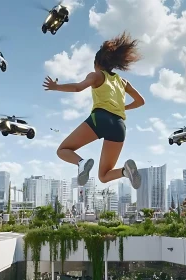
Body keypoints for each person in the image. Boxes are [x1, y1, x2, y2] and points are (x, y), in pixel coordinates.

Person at [42, 31, 145, 189]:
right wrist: (121, 107)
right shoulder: (123, 81)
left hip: (101, 118)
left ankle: (81, 163)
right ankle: (126, 171)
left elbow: (78, 88)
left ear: (97, 63)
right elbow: (140, 101)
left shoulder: (97, 75)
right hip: (119, 125)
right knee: (103, 176)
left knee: (62, 150)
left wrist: (56, 87)